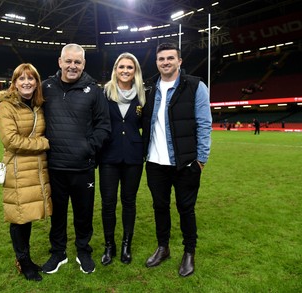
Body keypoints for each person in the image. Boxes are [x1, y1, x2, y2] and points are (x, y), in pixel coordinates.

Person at [142, 43, 212, 277]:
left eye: (170, 58)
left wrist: (201, 159)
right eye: (161, 59)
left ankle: (189, 252)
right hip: (155, 162)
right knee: (159, 207)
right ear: (157, 63)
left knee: (186, 208)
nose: (165, 62)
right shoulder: (151, 89)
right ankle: (163, 248)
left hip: (185, 163)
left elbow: (204, 123)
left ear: (179, 61)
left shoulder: (195, 86)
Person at [42, 43, 111, 274]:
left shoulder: (94, 91)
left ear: (83, 64)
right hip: (55, 166)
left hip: (83, 167)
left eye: (77, 62)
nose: (72, 66)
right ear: (60, 62)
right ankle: (58, 253)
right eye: (68, 61)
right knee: (57, 215)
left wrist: (88, 147)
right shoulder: (46, 88)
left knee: (84, 214)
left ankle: (83, 251)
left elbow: (104, 125)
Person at [0, 63, 52, 282]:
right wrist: (44, 143)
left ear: (36, 82)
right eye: (21, 78)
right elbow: (11, 140)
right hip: (18, 167)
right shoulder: (6, 106)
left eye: (31, 78)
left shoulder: (37, 105)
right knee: (19, 217)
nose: (26, 82)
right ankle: (23, 261)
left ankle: (26, 258)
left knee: (28, 214)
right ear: (14, 82)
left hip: (37, 168)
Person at [99, 52, 146, 266]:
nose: (125, 71)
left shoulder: (143, 95)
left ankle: (127, 244)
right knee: (108, 203)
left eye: (130, 67)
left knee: (129, 202)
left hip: (134, 158)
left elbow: (148, 126)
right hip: (109, 156)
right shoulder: (104, 93)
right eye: (122, 67)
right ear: (115, 70)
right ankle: (110, 246)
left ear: (135, 71)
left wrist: (144, 150)